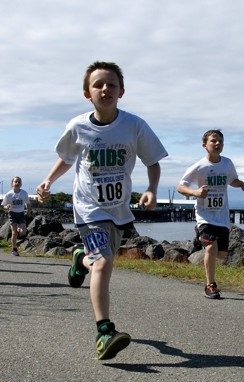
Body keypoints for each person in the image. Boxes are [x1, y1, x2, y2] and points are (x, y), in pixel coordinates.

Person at [37, 61, 168, 360]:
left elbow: (153, 162)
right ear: (87, 93)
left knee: (98, 262)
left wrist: (152, 189)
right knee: (105, 264)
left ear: (122, 91)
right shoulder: (77, 126)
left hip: (119, 210)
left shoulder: (134, 125)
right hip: (88, 209)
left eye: (111, 84)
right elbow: (68, 159)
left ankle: (79, 260)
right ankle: (104, 331)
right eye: (98, 84)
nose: (105, 89)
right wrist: (47, 180)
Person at [176, 129, 244, 299]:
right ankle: (210, 285)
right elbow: (180, 186)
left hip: (222, 216)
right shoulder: (199, 166)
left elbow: (232, 180)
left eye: (220, 141)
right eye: (213, 141)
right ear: (205, 145)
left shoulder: (227, 163)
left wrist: (241, 184)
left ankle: (204, 252)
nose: (217, 144)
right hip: (204, 215)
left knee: (221, 255)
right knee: (211, 247)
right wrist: (195, 193)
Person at [2, 176, 29, 256]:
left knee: (22, 232)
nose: (17, 183)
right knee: (14, 233)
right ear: (12, 183)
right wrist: (6, 207)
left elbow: (28, 203)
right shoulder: (9, 194)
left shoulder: (24, 193)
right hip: (12, 214)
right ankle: (14, 249)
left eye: (19, 182)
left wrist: (28, 211)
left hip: (21, 214)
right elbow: (3, 205)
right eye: (15, 181)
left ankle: (18, 229)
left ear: (21, 184)